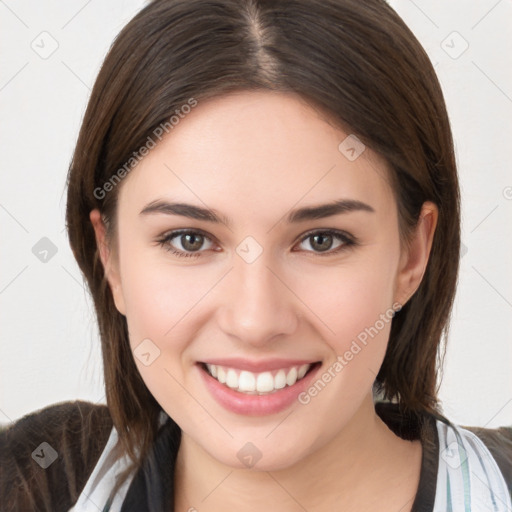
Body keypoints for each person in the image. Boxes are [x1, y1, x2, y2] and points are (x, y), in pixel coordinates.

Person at [1, 0, 511, 510]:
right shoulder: (33, 480)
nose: (255, 321)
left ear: (412, 255)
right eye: (190, 240)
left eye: (321, 240)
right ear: (110, 258)